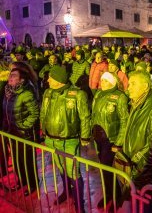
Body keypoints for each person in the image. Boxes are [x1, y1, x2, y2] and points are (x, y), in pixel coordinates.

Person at [113, 70, 152, 212]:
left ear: (145, 86)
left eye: (133, 84)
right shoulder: (138, 103)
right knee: (138, 203)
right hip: (134, 167)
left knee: (143, 204)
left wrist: (140, 171)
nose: (128, 87)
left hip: (143, 170)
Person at [40, 65, 90, 212]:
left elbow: (85, 117)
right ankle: (66, 192)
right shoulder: (48, 93)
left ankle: (79, 204)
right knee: (61, 168)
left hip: (69, 141)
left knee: (73, 172)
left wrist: (85, 136)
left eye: (51, 77)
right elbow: (43, 112)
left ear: (58, 79)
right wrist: (44, 130)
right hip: (51, 139)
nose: (48, 79)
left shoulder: (77, 94)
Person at [91, 72, 129, 211]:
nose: (102, 82)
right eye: (101, 80)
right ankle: (108, 194)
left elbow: (125, 121)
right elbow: (94, 115)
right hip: (98, 138)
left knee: (109, 170)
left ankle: (116, 197)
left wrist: (118, 143)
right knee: (104, 169)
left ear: (112, 82)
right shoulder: (98, 95)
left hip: (110, 140)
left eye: (105, 80)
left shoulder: (120, 97)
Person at [1, 67, 40, 195]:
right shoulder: (7, 92)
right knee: (17, 160)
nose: (10, 77)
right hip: (11, 132)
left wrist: (22, 126)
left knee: (27, 161)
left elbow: (35, 113)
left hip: (24, 134)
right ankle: (22, 180)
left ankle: (32, 184)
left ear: (21, 80)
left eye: (14, 76)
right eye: (10, 75)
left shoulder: (26, 93)